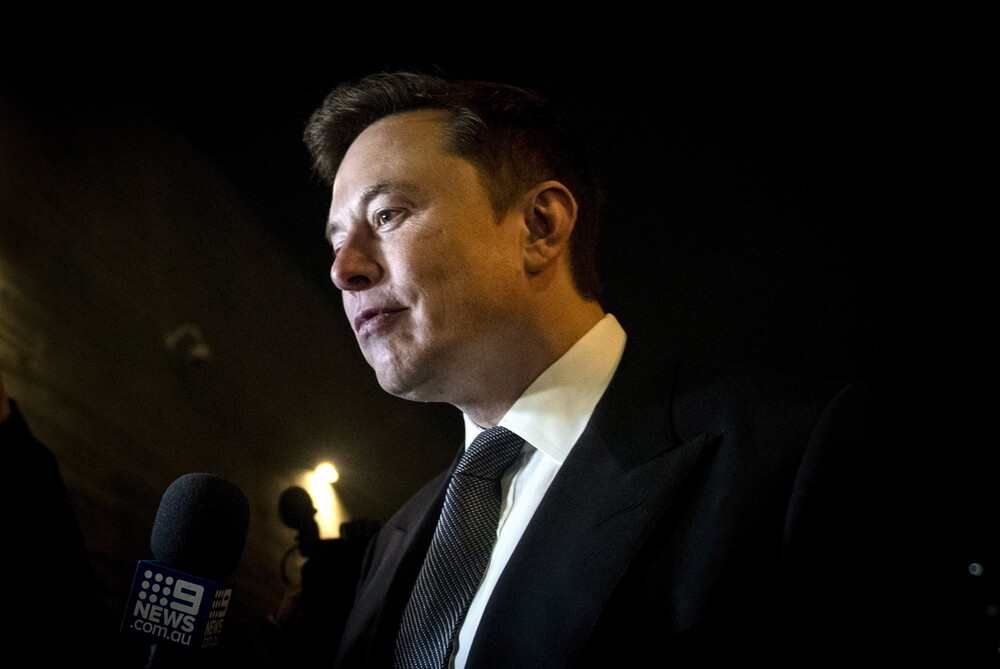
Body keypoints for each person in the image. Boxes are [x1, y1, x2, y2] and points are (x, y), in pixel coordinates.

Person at [302, 72, 906, 667]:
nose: (343, 269)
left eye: (387, 215)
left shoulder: (790, 452)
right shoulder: (392, 545)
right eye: (336, 242)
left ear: (540, 226)